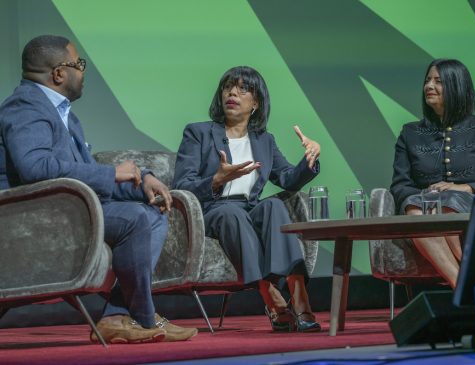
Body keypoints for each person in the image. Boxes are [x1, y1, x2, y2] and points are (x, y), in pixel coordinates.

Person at [0, 35, 197, 343]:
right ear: (59, 73)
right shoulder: (25, 105)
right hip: (33, 218)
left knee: (152, 212)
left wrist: (141, 184)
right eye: (79, 64)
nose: (83, 71)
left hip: (67, 208)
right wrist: (112, 172)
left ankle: (120, 317)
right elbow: (34, 168)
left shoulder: (66, 116)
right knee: (139, 220)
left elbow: (89, 181)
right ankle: (139, 318)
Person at [173, 66, 321, 332]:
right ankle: (272, 298)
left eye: (243, 88)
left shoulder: (264, 140)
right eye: (228, 87)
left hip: (248, 208)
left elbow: (286, 178)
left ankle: (300, 299)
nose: (232, 92)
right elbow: (181, 185)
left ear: (256, 103)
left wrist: (309, 161)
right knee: (233, 214)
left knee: (274, 205)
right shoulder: (198, 133)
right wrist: (216, 180)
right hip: (213, 209)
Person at [390, 59, 475, 288]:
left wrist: (465, 188)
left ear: (457, 86)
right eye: (427, 81)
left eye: (438, 81)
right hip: (424, 210)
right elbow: (400, 185)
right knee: (416, 210)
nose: (429, 86)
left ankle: (465, 286)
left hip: (472, 210)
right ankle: (463, 287)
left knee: (446, 206)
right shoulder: (410, 133)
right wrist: (426, 196)